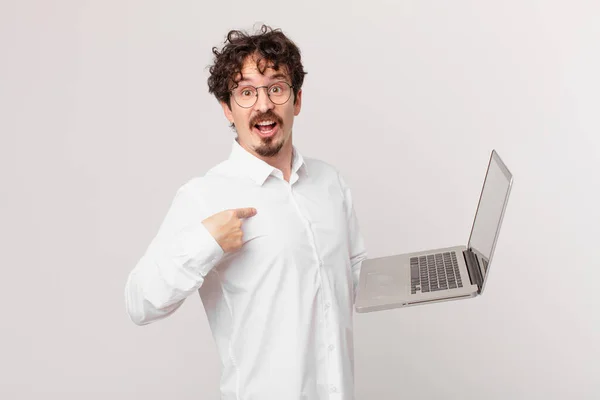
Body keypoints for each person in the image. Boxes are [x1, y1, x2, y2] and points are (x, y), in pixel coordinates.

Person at [124, 24, 367, 400]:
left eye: (276, 88)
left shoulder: (330, 184)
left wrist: (422, 280)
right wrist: (206, 241)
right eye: (246, 92)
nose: (264, 104)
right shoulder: (204, 196)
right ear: (227, 108)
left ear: (297, 99)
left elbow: (352, 280)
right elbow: (140, 301)